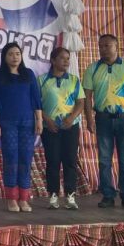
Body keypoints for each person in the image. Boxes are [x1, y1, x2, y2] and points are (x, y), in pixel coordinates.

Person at [83, 34, 124, 209]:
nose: (103, 49)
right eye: (100, 46)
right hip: (102, 118)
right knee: (104, 159)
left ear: (116, 46)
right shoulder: (92, 69)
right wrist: (89, 119)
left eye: (107, 46)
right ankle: (107, 195)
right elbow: (87, 96)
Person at [0, 42, 43, 213]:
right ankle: (11, 199)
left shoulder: (29, 74)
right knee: (11, 158)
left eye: (17, 54)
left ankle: (24, 199)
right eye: (11, 54)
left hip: (27, 123)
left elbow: (36, 99)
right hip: (7, 123)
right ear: (5, 57)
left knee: (26, 158)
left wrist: (39, 120)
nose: (15, 57)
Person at [39, 47, 85, 210]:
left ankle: (70, 195)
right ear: (53, 60)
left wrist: (72, 118)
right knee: (53, 160)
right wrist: (47, 120)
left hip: (70, 126)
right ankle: (53, 195)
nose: (66, 61)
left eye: (68, 58)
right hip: (50, 127)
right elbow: (36, 105)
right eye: (62, 58)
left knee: (70, 160)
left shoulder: (74, 80)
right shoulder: (42, 80)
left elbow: (80, 102)